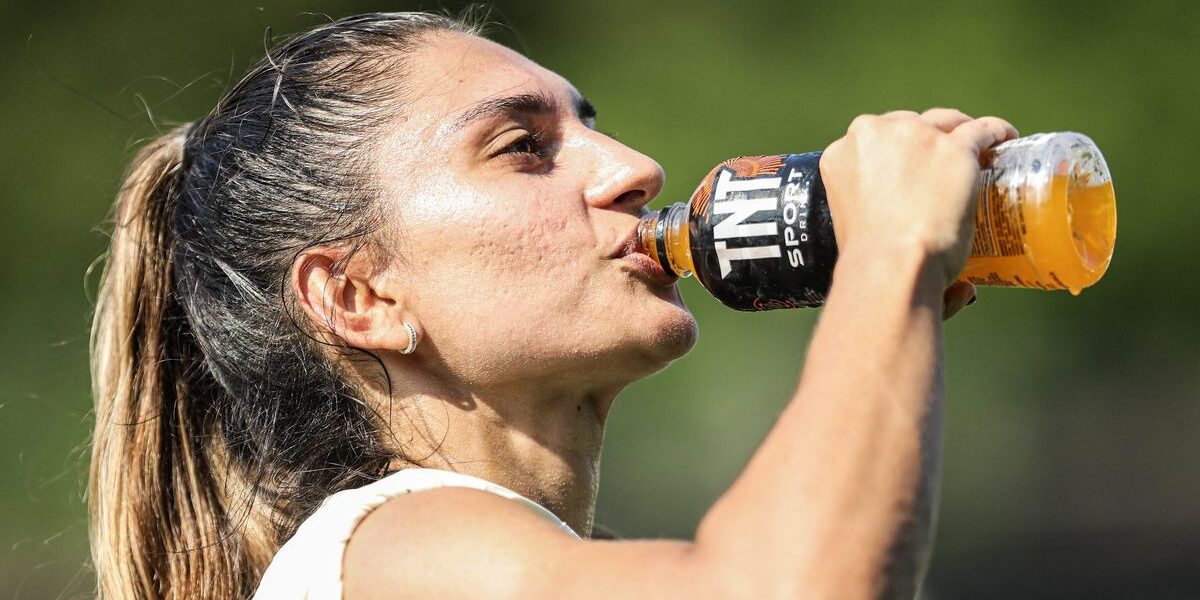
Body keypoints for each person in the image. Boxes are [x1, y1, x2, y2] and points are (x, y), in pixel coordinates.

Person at [88, 10, 1012, 600]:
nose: (638, 169)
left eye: (590, 128)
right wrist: (890, 259)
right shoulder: (390, 547)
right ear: (359, 297)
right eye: (523, 147)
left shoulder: (531, 559)